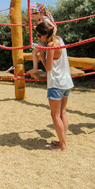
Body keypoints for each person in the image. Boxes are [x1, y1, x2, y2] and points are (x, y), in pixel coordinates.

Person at [35, 21, 73, 152]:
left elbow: (48, 67)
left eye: (39, 35)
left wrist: (41, 58)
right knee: (63, 112)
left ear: (46, 34)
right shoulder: (60, 40)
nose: (39, 38)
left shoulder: (51, 45)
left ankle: (63, 146)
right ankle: (62, 140)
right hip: (66, 82)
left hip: (56, 83)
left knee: (55, 115)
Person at [28, 3, 57, 76]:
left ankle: (47, 72)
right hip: (43, 41)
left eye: (33, 16)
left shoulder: (45, 20)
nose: (32, 17)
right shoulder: (40, 21)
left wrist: (50, 38)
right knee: (34, 52)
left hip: (46, 41)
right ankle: (35, 68)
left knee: (45, 55)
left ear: (39, 13)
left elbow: (54, 28)